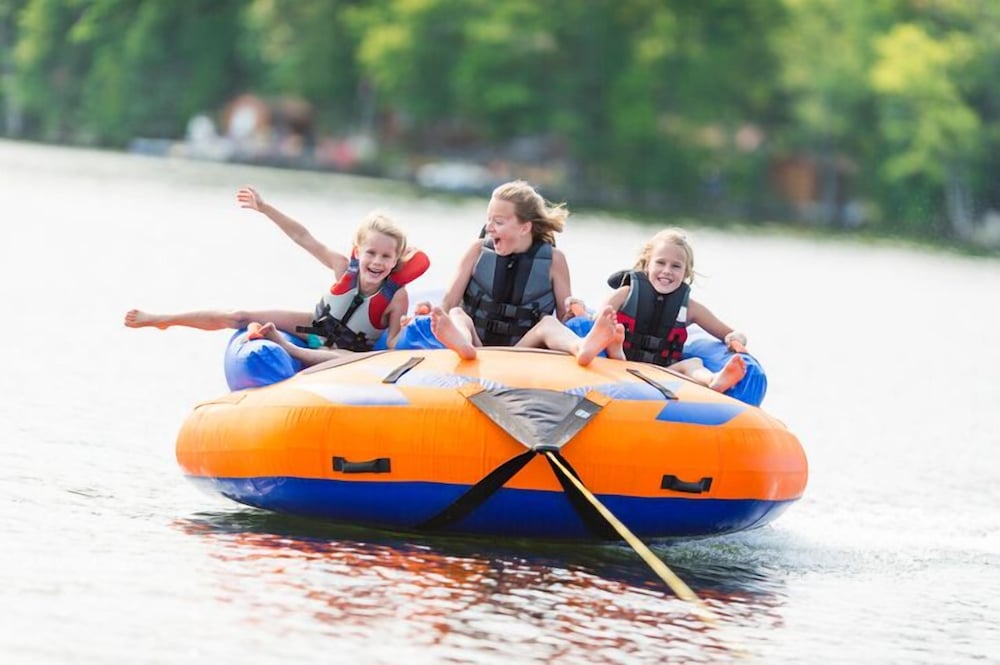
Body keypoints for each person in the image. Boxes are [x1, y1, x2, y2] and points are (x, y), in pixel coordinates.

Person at [124, 186, 428, 357]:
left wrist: (408, 327)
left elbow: (390, 344)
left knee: (340, 360)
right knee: (240, 315)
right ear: (358, 251)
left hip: (346, 355)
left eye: (386, 256)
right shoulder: (342, 268)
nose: (377, 262)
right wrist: (264, 208)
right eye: (371, 253)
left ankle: (286, 348)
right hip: (314, 328)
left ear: (396, 259)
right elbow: (302, 237)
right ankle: (164, 320)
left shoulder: (396, 296)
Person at [523, 227, 748, 392]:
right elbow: (596, 321)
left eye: (676, 266)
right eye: (660, 263)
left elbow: (727, 332)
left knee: (693, 364)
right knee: (611, 339)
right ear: (647, 264)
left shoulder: (690, 309)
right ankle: (616, 345)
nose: (667, 271)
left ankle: (713, 381)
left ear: (686, 273)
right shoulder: (625, 294)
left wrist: (736, 338)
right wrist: (579, 309)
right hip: (618, 363)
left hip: (663, 373)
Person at [429, 179, 602, 360]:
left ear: (525, 227)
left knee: (549, 323)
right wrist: (431, 314)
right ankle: (461, 344)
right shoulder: (477, 251)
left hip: (523, 351)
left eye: (498, 222)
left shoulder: (554, 260)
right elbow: (448, 304)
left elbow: (563, 319)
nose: (489, 228)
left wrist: (575, 310)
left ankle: (580, 347)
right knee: (457, 314)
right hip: (476, 345)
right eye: (488, 220)